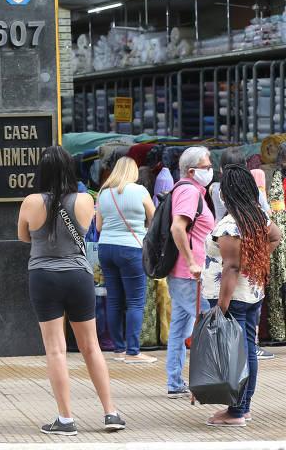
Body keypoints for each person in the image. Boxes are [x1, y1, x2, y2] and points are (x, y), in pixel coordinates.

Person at [17, 146, 125, 436]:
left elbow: (23, 235)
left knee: (56, 350)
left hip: (43, 276)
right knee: (91, 347)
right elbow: (86, 230)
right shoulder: (85, 200)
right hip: (79, 276)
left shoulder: (30, 201)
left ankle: (65, 420)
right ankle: (110, 412)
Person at [201, 164, 281, 427]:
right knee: (246, 349)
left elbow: (232, 267)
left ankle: (235, 412)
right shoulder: (259, 216)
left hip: (232, 298)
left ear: (226, 194)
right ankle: (243, 408)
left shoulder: (229, 225)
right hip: (252, 294)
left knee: (237, 353)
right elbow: (276, 236)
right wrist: (255, 258)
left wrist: (220, 308)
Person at [95, 156, 156, 363]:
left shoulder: (103, 193)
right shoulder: (140, 191)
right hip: (131, 249)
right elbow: (154, 219)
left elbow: (99, 227)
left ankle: (118, 350)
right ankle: (133, 351)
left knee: (113, 300)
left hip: (106, 248)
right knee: (136, 302)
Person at [166, 146, 215, 399]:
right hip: (190, 275)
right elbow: (178, 228)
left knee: (180, 326)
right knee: (209, 325)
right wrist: (192, 262)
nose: (211, 171)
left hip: (184, 274)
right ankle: (209, 381)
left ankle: (175, 382)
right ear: (192, 170)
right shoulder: (187, 191)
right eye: (207, 167)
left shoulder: (191, 190)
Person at [210, 148, 270, 223]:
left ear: (221, 169)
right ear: (245, 165)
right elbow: (268, 213)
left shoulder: (217, 189)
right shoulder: (251, 186)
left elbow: (219, 218)